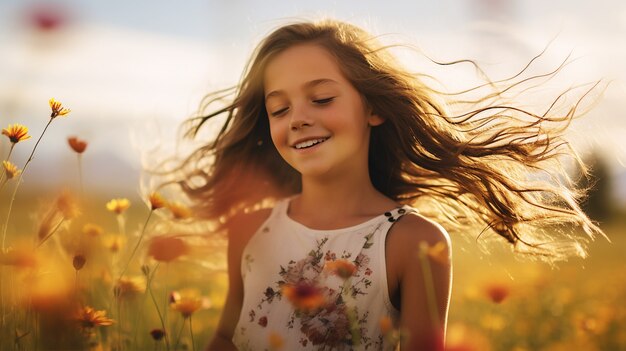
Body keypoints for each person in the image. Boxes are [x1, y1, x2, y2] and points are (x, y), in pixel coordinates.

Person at [168, 19, 602, 350]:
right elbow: (225, 339)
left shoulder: (412, 242)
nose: (297, 117)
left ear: (373, 108)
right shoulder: (249, 230)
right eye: (279, 109)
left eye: (321, 99)